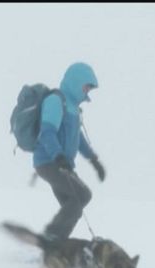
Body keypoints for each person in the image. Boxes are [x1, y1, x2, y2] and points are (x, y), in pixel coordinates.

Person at [34, 62, 106, 242]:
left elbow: (78, 138)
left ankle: (57, 243)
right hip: (49, 161)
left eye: (89, 88)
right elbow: (47, 132)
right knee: (82, 195)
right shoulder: (56, 101)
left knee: (74, 205)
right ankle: (50, 237)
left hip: (62, 164)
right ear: (76, 81)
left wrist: (93, 160)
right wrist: (58, 156)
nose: (87, 91)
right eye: (86, 86)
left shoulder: (73, 108)